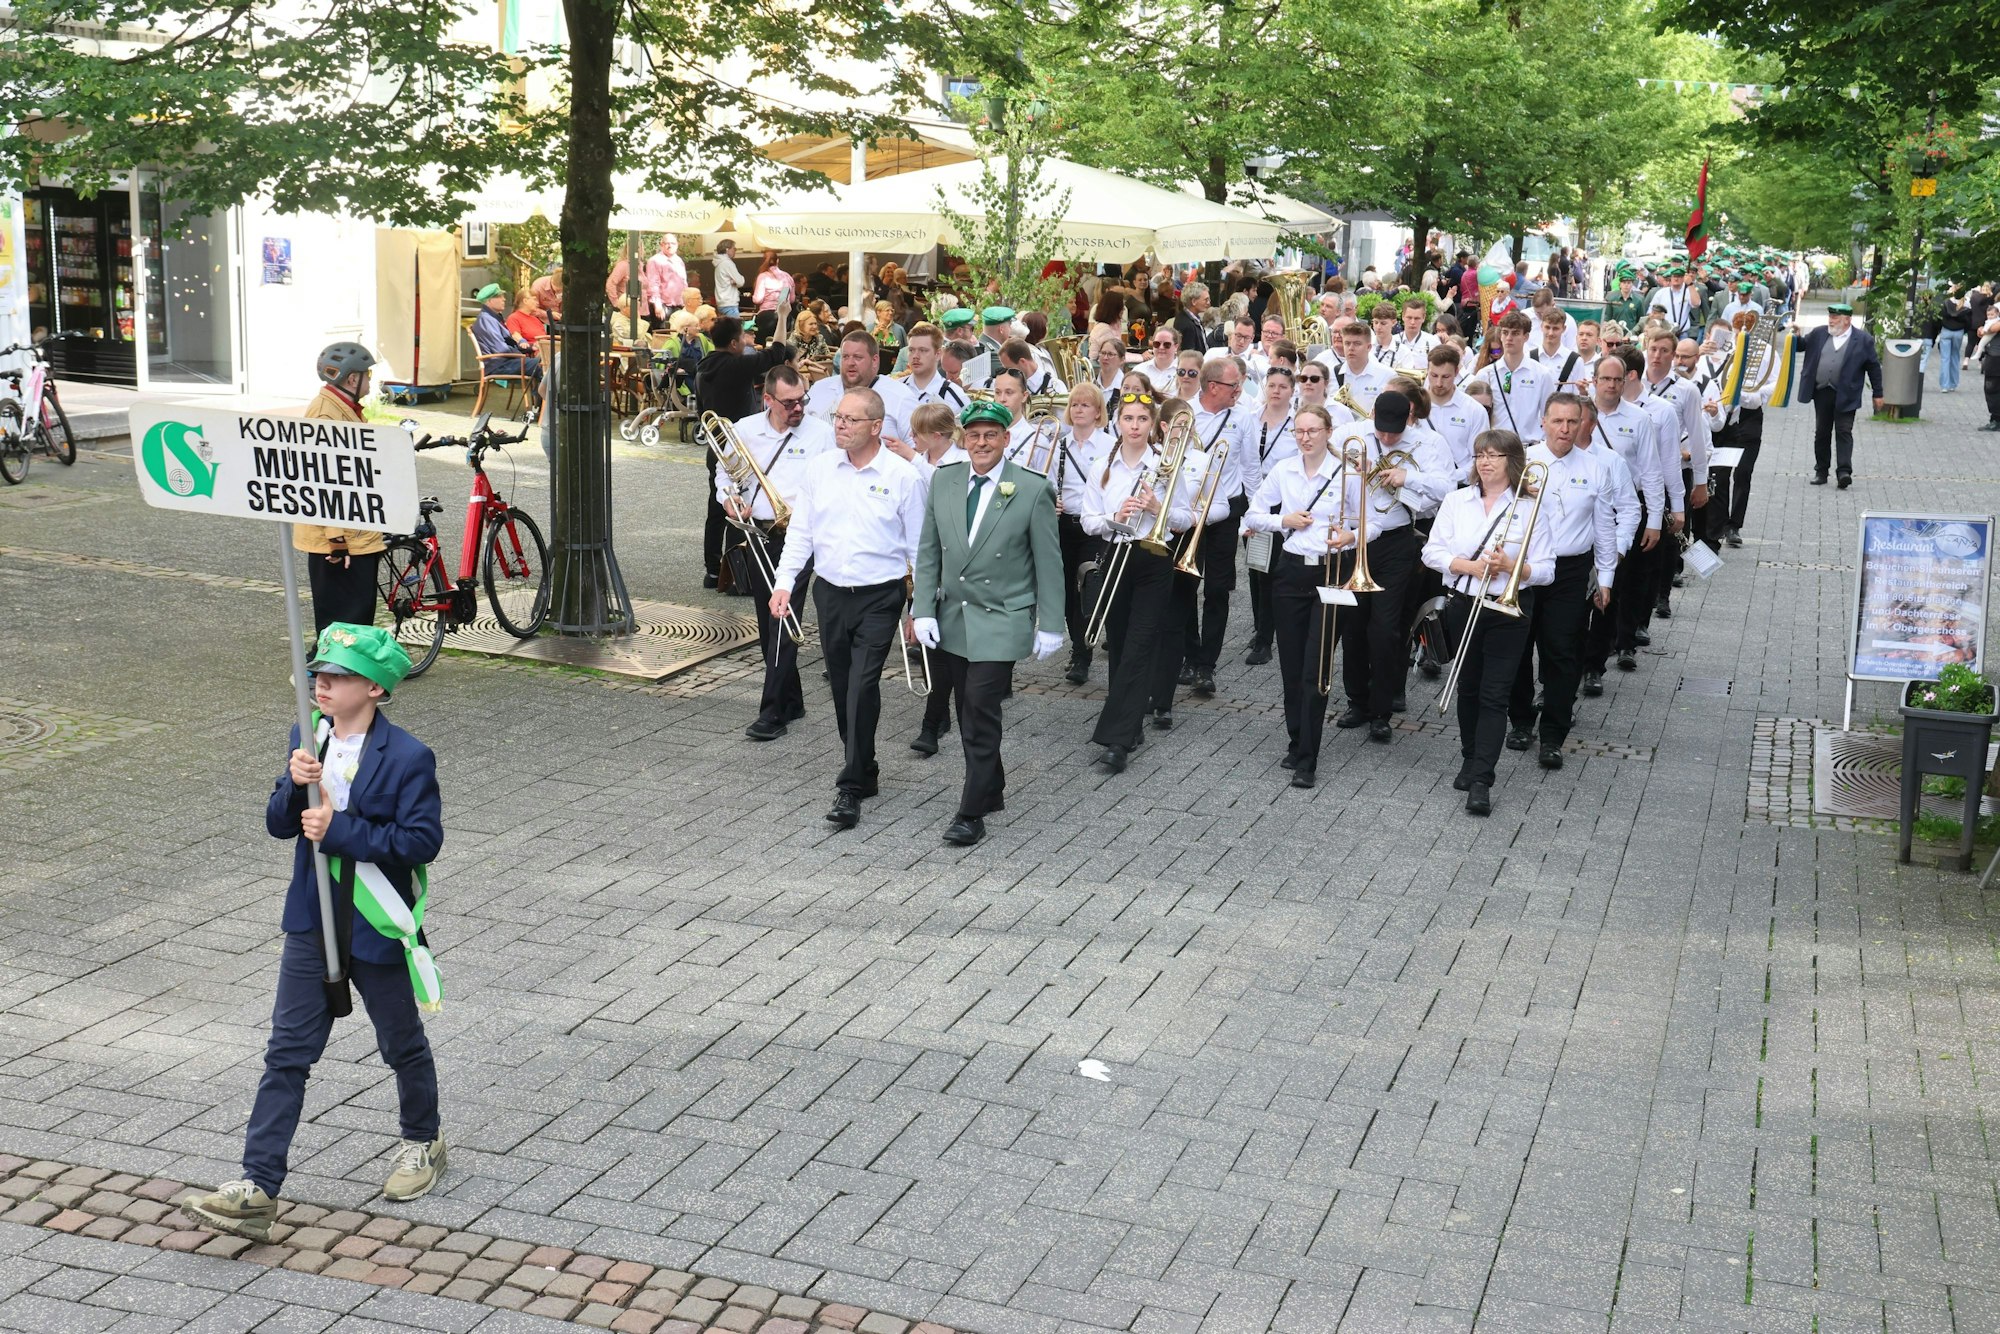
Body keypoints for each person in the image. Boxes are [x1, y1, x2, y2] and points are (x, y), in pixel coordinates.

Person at [182, 623, 443, 1238]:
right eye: (319, 672)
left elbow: (421, 842)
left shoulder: (409, 756)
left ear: (376, 690)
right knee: (287, 1053)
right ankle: (258, 1186)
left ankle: (422, 1140)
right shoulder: (308, 733)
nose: (322, 682)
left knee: (399, 1042)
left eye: (341, 675)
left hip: (375, 922)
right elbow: (280, 824)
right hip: (312, 921)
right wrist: (295, 784)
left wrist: (343, 829)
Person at [909, 402, 1066, 845]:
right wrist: (922, 608)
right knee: (964, 708)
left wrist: (1051, 623)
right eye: (974, 434)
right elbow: (929, 551)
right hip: (953, 615)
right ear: (963, 439)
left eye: (990, 435)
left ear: (1005, 439)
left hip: (1002, 616)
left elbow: (1049, 564)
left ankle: (971, 811)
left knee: (979, 707)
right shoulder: (945, 479)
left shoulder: (1031, 489)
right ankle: (992, 787)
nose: (981, 443)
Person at [769, 387, 926, 830]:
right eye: (838, 417)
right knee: (842, 689)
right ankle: (865, 765)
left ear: (876, 427)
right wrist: (784, 583)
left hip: (881, 596)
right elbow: (801, 533)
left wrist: (919, 607)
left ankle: (851, 784)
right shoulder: (820, 469)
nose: (840, 424)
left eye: (851, 419)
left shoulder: (902, 476)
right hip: (831, 593)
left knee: (860, 686)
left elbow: (919, 549)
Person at [1425, 431, 1551, 815]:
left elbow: (1546, 570)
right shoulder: (1456, 500)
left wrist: (1512, 566)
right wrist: (1468, 566)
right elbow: (1431, 552)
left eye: (1494, 455)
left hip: (1508, 609)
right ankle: (1469, 757)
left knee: (1494, 695)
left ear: (1512, 461)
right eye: (1480, 454)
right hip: (1464, 603)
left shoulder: (1531, 507)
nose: (1485, 462)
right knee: (1468, 688)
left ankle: (1482, 779)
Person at [1504, 393, 1621, 769]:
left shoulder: (1596, 467)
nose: (1565, 429)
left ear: (1582, 423)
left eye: (1573, 422)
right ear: (1544, 422)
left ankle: (1554, 734)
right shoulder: (1523, 462)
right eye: (1558, 421)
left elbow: (1604, 527)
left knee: (1562, 651)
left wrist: (1605, 577)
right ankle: (1521, 721)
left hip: (1570, 571)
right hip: (1526, 568)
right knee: (1518, 650)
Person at [1081, 392, 1195, 773]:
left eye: (1141, 420)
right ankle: (1129, 726)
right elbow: (1087, 520)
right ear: (1117, 423)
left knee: (1140, 645)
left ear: (1153, 425)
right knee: (1119, 645)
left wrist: (1155, 507)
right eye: (1127, 418)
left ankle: (1117, 741)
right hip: (1116, 556)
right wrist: (1115, 515)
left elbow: (1186, 518)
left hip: (1153, 559)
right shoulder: (1102, 466)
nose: (1134, 426)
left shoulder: (1166, 466)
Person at [1241, 405, 1347, 786]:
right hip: (1290, 570)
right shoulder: (1284, 470)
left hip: (1333, 571)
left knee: (1315, 667)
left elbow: (1376, 522)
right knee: (1290, 664)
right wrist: (1282, 520)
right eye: (1299, 431)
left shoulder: (1346, 470)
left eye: (1313, 431)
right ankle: (1297, 739)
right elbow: (1252, 516)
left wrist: (1351, 536)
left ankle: (1308, 758)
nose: (1305, 437)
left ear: (1328, 431)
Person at [725, 366, 833, 742]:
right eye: (789, 403)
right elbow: (725, 476)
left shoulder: (820, 433)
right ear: (767, 399)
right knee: (766, 617)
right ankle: (792, 698)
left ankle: (771, 712)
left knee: (782, 618)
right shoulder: (744, 428)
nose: (798, 408)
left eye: (802, 399)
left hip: (801, 535)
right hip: (759, 532)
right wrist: (729, 499)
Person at [1329, 389, 1439, 742]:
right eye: (1382, 429)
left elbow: (1445, 487)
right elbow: (1329, 468)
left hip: (1394, 541)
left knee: (1386, 628)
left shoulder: (1427, 443)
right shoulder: (1355, 434)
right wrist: (1354, 469)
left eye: (1395, 431)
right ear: (1372, 414)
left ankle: (1382, 709)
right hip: (1354, 541)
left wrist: (1406, 478)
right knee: (1353, 625)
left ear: (1409, 418)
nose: (1387, 437)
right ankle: (1357, 702)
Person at [1169, 357, 1255, 698]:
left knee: (1219, 590)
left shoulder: (1243, 416)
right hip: (1190, 512)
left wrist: (1252, 515)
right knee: (1185, 585)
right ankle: (1189, 655)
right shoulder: (1184, 413)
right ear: (1214, 387)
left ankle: (1207, 665)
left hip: (1226, 510)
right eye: (1235, 386)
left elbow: (1251, 468)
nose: (1239, 391)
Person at [696, 316, 795, 589]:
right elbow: (778, 352)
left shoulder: (703, 365)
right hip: (740, 446)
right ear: (733, 343)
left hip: (716, 447)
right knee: (741, 509)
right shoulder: (736, 365)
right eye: (743, 338)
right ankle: (736, 573)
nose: (747, 342)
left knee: (717, 509)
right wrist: (784, 315)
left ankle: (713, 570)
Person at [1244, 366, 1300, 666]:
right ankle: (1261, 628)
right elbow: (1245, 462)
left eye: (1283, 386)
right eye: (1272, 385)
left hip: (1283, 504)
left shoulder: (1295, 424)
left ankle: (1268, 635)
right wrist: (1254, 504)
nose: (1276, 390)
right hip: (1255, 500)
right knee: (1255, 569)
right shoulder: (1250, 419)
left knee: (1275, 571)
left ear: (1292, 391)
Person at [1797, 303, 1885, 489]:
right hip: (1822, 391)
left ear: (1847, 320)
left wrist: (1878, 393)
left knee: (1844, 431)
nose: (1831, 320)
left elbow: (1873, 367)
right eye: (1830, 316)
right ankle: (1821, 471)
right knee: (1822, 432)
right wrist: (1795, 335)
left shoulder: (1862, 339)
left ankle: (1844, 472)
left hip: (1847, 393)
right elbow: (1800, 346)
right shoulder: (1819, 333)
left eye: (1835, 318)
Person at [806, 329, 918, 446]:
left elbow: (918, 448)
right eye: (845, 357)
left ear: (874, 361)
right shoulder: (819, 389)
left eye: (857, 357)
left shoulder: (900, 396)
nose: (850, 363)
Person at [470, 283, 543, 406]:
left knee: (547, 363)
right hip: (499, 364)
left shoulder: (492, 318)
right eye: (499, 296)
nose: (504, 299)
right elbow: (500, 348)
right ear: (489, 301)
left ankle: (541, 408)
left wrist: (529, 347)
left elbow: (507, 343)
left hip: (504, 361)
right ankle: (541, 409)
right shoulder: (486, 320)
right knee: (544, 365)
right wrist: (522, 354)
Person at [642, 235, 688, 329]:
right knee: (663, 336)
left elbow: (684, 283)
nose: (670, 246)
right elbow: (653, 284)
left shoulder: (679, 261)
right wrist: (657, 306)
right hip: (663, 306)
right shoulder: (654, 261)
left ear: (677, 245)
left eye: (673, 243)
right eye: (667, 243)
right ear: (661, 245)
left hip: (679, 305)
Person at [752, 251, 795, 343]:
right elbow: (792, 299)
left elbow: (758, 299)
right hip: (784, 315)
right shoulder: (787, 276)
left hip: (766, 316)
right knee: (781, 342)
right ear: (778, 261)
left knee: (763, 344)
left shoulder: (763, 277)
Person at [709, 239, 745, 318]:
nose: (735, 251)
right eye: (734, 248)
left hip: (721, 303)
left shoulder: (718, 263)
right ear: (727, 249)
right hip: (730, 303)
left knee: (726, 329)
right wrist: (736, 281)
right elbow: (740, 281)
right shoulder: (727, 263)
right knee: (735, 329)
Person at [1174, 282, 1211, 356]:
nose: (1209, 303)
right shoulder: (1187, 324)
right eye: (1206, 300)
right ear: (1194, 301)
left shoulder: (1193, 319)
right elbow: (1189, 356)